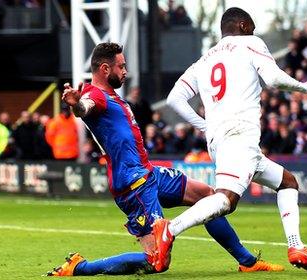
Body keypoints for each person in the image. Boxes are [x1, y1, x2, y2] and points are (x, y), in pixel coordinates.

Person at [46, 42, 282, 276]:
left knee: (209, 196)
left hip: (149, 173)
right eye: (121, 66)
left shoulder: (111, 96)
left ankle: (247, 261)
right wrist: (77, 105)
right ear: (105, 69)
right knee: (157, 261)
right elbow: (85, 108)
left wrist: (80, 105)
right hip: (134, 185)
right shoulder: (94, 94)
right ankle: (80, 267)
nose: (126, 71)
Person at [164, 7, 307, 273]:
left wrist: (204, 126)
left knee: (287, 182)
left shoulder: (204, 59)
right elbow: (274, 78)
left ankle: (296, 245)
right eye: (252, 26)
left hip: (221, 140)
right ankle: (169, 229)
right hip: (239, 134)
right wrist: (305, 87)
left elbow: (174, 98)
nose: (254, 32)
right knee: (226, 199)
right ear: (242, 25)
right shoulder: (250, 43)